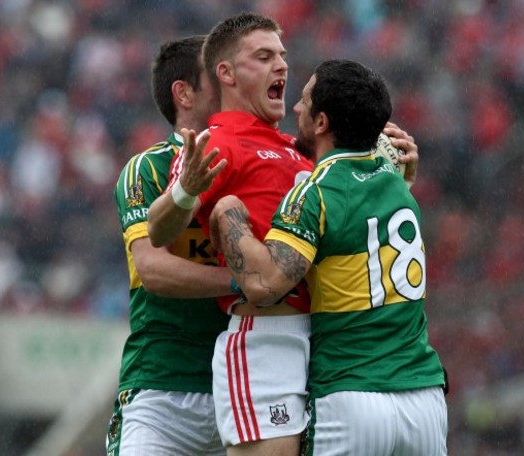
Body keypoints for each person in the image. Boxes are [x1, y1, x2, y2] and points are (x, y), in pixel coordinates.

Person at [148, 13, 421, 456]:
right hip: (267, 342)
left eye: (282, 56)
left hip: (328, 346)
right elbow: (160, 231)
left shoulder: (299, 149)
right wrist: (184, 192)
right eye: (264, 56)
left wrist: (397, 181)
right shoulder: (217, 142)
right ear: (227, 73)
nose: (282, 66)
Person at [209, 59, 448, 455]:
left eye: (304, 103)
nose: (296, 110)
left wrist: (228, 213)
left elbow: (264, 285)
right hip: (424, 399)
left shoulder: (315, 192)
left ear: (321, 123)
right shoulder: (398, 185)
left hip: (353, 395)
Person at [106, 36, 233, 456]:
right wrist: (244, 281)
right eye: (217, 75)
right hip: (161, 390)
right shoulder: (147, 169)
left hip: (244, 390)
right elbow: (153, 270)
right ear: (183, 93)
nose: (231, 82)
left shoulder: (254, 164)